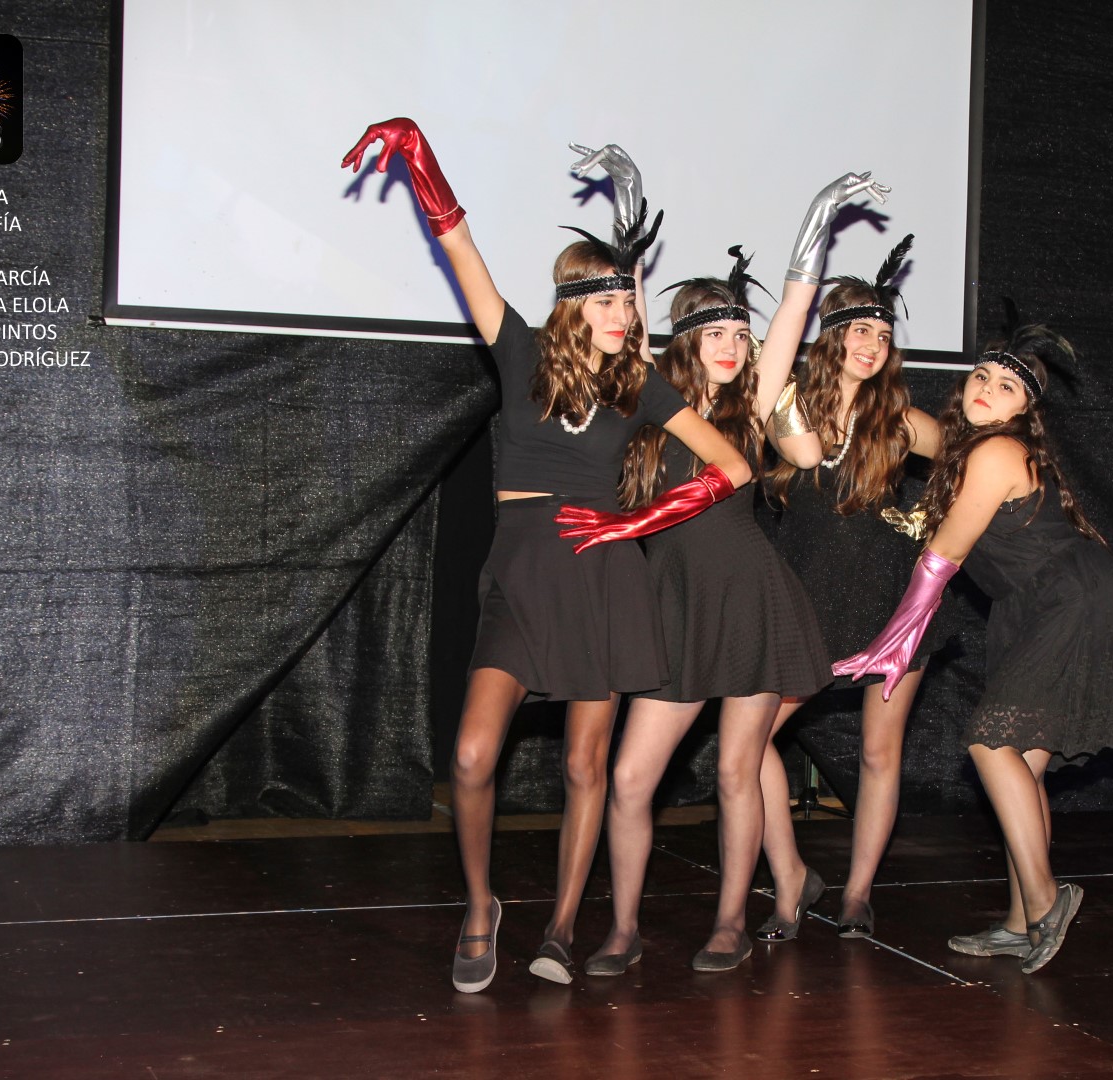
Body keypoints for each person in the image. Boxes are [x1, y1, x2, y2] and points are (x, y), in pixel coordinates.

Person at [340, 121, 752, 992]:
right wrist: (419, 155)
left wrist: (632, 526)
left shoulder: (641, 385)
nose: (624, 316)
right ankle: (480, 905)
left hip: (602, 577)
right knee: (470, 756)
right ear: (573, 305)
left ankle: (563, 926)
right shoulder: (520, 349)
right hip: (522, 575)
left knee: (583, 765)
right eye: (609, 304)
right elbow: (460, 248)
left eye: (629, 304)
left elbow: (733, 467)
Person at [585, 174, 885, 976]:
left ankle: (729, 924)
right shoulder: (648, 398)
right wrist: (626, 215)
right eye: (715, 332)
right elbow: (627, 317)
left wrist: (820, 216)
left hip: (751, 600)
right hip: (673, 606)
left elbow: (793, 308)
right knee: (630, 778)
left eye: (739, 334)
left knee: (735, 769)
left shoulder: (750, 404)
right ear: (685, 341)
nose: (731, 344)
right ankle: (622, 929)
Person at [834, 323, 1113, 974]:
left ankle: (1046, 901)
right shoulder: (966, 446)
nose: (986, 387)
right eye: (981, 375)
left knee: (989, 742)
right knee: (1022, 768)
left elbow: (940, 559)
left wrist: (892, 644)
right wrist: (853, 364)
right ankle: (1019, 923)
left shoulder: (999, 450)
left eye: (1006, 386)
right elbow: (888, 417)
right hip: (1031, 607)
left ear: (1024, 410)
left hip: (1067, 600)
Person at [758, 235, 952, 943]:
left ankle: (859, 893)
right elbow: (765, 384)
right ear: (830, 337)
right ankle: (791, 879)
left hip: (891, 603)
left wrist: (933, 528)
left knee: (879, 752)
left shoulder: (899, 422)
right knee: (747, 745)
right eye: (859, 330)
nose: (872, 344)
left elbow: (976, 461)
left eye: (883, 334)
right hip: (808, 599)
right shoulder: (793, 411)